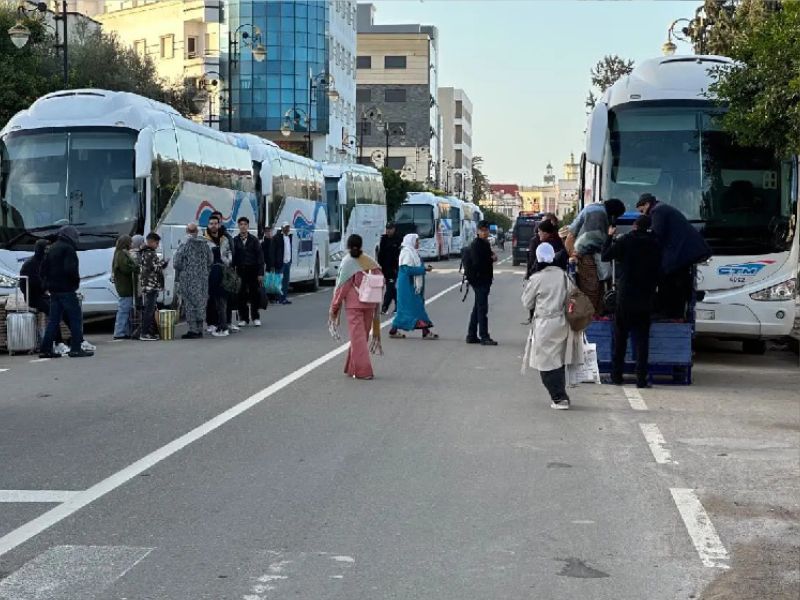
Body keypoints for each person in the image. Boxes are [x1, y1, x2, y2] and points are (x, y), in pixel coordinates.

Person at [601, 214, 662, 388]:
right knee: (642, 340)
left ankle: (617, 376)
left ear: (635, 226)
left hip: (626, 296)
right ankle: (641, 379)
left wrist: (610, 236)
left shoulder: (626, 240)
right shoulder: (655, 243)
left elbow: (605, 255)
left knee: (620, 339)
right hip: (645, 296)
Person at [525, 242, 582, 409]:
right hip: (562, 322)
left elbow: (527, 302)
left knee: (545, 362)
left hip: (544, 323)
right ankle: (561, 394)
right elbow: (574, 296)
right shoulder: (563, 275)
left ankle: (559, 397)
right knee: (558, 360)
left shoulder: (537, 278)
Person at [636, 193, 711, 319]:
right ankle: (674, 312)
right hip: (686, 250)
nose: (643, 215)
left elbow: (656, 235)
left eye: (642, 211)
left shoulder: (657, 211)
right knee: (675, 279)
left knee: (668, 278)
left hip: (683, 252)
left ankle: (668, 312)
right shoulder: (662, 208)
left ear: (647, 204)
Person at [329, 234, 383, 380]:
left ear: (347, 246)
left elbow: (343, 288)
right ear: (361, 245)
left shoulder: (347, 262)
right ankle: (352, 366)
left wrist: (334, 308)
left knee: (357, 338)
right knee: (361, 338)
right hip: (370, 303)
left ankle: (364, 371)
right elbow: (380, 282)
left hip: (353, 305)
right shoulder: (370, 261)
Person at [38, 226, 93, 358]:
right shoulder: (69, 249)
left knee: (53, 320)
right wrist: (75, 283)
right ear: (70, 235)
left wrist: (47, 284)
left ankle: (46, 349)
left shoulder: (51, 248)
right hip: (67, 289)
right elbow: (71, 270)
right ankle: (75, 348)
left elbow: (42, 270)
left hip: (54, 291)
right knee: (75, 318)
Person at [20, 239, 68, 355]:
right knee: (53, 311)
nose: (48, 251)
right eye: (46, 249)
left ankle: (77, 340)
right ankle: (58, 343)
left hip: (44, 295)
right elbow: (30, 284)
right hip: (33, 297)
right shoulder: (30, 264)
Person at [389, 233, 437, 339]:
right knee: (416, 307)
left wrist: (423, 268)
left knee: (406, 309)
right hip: (407, 285)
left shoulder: (413, 252)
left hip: (410, 284)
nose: (418, 243)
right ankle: (426, 331)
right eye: (416, 241)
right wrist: (423, 269)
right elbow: (408, 270)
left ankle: (394, 330)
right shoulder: (406, 252)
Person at [565, 201, 610, 313]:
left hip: (584, 253)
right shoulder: (603, 214)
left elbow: (570, 237)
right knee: (596, 286)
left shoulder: (588, 211)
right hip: (589, 253)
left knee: (591, 287)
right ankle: (594, 314)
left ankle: (591, 314)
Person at [174, 223, 213, 339]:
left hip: (188, 279)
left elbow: (176, 263)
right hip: (203, 279)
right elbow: (210, 260)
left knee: (190, 304)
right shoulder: (205, 244)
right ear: (197, 231)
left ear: (187, 232)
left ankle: (193, 330)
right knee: (201, 302)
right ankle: (200, 329)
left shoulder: (184, 245)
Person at [465, 220, 498, 346]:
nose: (484, 232)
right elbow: (478, 263)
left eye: (486, 230)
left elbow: (487, 257)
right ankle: (484, 336)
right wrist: (491, 259)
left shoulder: (485, 243)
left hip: (484, 279)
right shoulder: (476, 245)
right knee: (482, 309)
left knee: (477, 307)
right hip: (479, 280)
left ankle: (471, 335)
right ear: (477, 231)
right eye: (482, 230)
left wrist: (491, 257)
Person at [233, 216, 265, 326]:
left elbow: (260, 257)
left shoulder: (254, 240)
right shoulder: (235, 241)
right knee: (241, 295)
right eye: (241, 224)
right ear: (238, 226)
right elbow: (232, 257)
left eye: (245, 224)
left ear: (248, 226)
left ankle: (255, 317)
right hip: (240, 270)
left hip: (253, 270)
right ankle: (244, 318)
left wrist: (260, 273)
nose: (243, 226)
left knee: (254, 294)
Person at [204, 215, 233, 337]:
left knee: (222, 301)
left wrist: (225, 261)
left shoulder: (224, 239)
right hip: (210, 274)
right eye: (211, 223)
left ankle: (223, 326)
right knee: (211, 300)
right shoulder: (204, 240)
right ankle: (213, 324)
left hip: (223, 273)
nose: (213, 225)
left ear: (219, 225)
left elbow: (229, 254)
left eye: (215, 223)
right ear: (208, 225)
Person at [138, 232, 168, 341]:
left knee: (150, 309)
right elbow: (155, 268)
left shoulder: (145, 253)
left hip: (148, 285)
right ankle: (144, 333)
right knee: (149, 310)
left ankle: (150, 332)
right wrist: (164, 263)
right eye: (157, 243)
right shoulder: (149, 254)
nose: (158, 245)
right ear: (151, 242)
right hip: (151, 285)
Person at [112, 235, 139, 340]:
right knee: (124, 309)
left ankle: (125, 331)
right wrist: (135, 267)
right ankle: (119, 332)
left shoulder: (119, 253)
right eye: (131, 242)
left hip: (123, 286)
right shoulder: (122, 254)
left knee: (126, 309)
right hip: (125, 286)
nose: (132, 244)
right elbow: (126, 268)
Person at [377, 222, 402, 315]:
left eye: (390, 229)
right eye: (387, 229)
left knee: (391, 287)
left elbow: (400, 255)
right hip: (386, 269)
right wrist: (379, 267)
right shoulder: (383, 239)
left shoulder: (399, 239)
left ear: (394, 229)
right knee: (392, 288)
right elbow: (380, 255)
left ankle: (385, 307)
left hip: (396, 268)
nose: (388, 231)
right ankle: (397, 306)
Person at [272, 222, 293, 305]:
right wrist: (273, 263)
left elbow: (289, 249)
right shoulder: (277, 238)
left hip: (287, 262)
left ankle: (284, 297)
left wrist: (290, 260)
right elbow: (273, 251)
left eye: (288, 227)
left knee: (286, 281)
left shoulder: (289, 237)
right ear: (282, 228)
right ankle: (279, 298)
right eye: (285, 227)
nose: (287, 229)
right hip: (280, 263)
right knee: (279, 282)